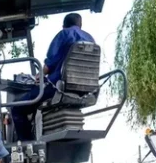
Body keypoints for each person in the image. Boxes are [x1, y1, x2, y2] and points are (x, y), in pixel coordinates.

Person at [9, 12, 95, 141]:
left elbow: (49, 65)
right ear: (80, 25)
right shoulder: (91, 39)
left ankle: (28, 146)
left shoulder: (64, 34)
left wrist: (39, 75)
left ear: (63, 25)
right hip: (85, 89)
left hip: (59, 87)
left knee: (17, 108)